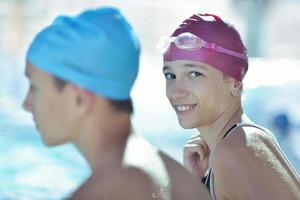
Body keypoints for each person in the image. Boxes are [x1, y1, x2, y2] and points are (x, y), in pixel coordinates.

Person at [22, 7, 210, 199]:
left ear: (79, 98)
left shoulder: (106, 192)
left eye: (34, 88)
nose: (26, 104)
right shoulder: (175, 175)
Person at [159, 13, 300, 199]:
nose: (176, 92)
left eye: (194, 74)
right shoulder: (252, 138)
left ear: (234, 83)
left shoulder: (233, 154)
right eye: (171, 76)